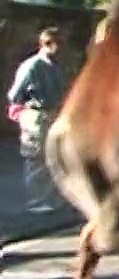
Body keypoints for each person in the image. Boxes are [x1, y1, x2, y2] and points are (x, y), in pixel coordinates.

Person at [7, 27, 68, 214]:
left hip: (53, 114)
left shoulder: (54, 66)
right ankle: (37, 201)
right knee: (36, 158)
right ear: (47, 44)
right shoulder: (32, 66)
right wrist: (26, 109)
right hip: (36, 115)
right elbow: (14, 94)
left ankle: (51, 199)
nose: (62, 49)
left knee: (53, 157)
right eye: (58, 44)